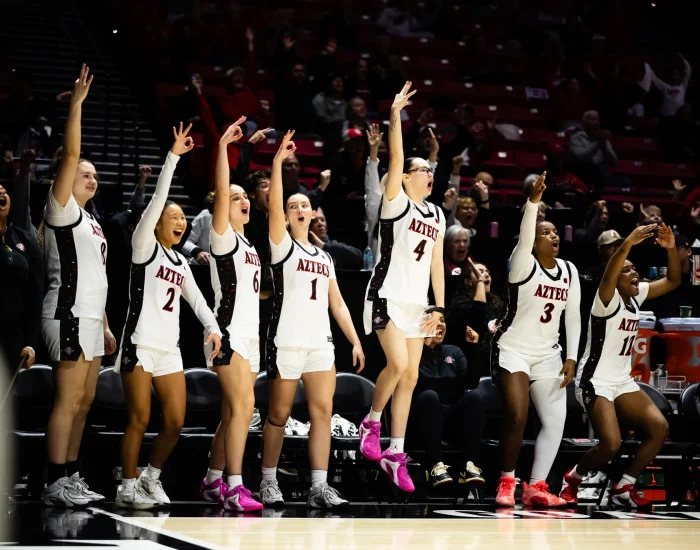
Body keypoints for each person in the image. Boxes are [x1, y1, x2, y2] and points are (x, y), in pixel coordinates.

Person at [115, 124, 222, 509]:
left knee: (175, 421)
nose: (180, 222)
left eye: (183, 219)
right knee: (140, 418)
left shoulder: (180, 261)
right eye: (173, 216)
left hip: (169, 350)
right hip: (139, 344)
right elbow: (160, 195)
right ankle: (125, 485)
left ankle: (149, 478)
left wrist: (212, 327)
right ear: (157, 220)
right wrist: (174, 157)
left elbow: (197, 301)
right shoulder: (144, 246)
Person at [261, 130, 365, 509]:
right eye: (294, 206)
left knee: (323, 413)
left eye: (305, 204)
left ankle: (319, 487)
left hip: (321, 343)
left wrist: (354, 340)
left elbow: (338, 304)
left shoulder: (324, 258)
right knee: (278, 414)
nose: (301, 208)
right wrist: (275, 162)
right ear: (287, 216)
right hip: (287, 340)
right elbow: (272, 207)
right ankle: (268, 481)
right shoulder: (282, 244)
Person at [359, 82, 445, 493]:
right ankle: (371, 422)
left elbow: (438, 262)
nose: (430, 175)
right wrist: (395, 115)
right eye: (423, 170)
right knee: (395, 365)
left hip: (419, 304)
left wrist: (440, 308)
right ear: (407, 177)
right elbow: (395, 156)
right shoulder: (395, 201)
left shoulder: (437, 214)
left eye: (432, 171)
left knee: (411, 377)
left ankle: (396, 453)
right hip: (386, 294)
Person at [560, 223, 680, 508]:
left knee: (659, 427)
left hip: (622, 381)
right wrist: (628, 242)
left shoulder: (635, 297)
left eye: (635, 268)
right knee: (610, 443)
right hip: (594, 380)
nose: (634, 273)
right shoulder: (605, 299)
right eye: (626, 270)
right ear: (613, 276)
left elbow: (674, 281)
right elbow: (611, 272)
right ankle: (573, 478)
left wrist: (672, 249)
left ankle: (624, 486)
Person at [40, 66, 115, 507]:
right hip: (65, 312)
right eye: (84, 174)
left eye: (93, 176)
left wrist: (105, 324)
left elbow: (99, 279)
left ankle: (71, 475)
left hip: (90, 317)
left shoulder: (93, 222)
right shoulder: (61, 209)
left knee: (85, 401)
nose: (91, 178)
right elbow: (70, 154)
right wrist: (77, 106)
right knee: (68, 401)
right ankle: (54, 481)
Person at [491, 172, 581, 508]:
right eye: (547, 232)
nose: (553, 236)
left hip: (548, 355)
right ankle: (506, 481)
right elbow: (527, 235)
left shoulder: (569, 271)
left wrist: (571, 358)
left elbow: (572, 317)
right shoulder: (522, 264)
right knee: (517, 415)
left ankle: (536, 485)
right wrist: (532, 204)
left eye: (556, 232)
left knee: (555, 421)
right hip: (513, 348)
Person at [199, 119, 264, 512]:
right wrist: (223, 146)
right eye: (235, 197)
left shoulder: (248, 242)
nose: (242, 200)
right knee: (244, 409)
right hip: (227, 334)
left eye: (245, 197)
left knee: (231, 414)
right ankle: (236, 486)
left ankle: (211, 480)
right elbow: (223, 188)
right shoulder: (221, 236)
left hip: (251, 336)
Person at [407, 316, 486, 488]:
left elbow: (471, 382)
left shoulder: (454, 352)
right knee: (429, 396)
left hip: (450, 422)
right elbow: (415, 384)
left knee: (474, 397)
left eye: (442, 320)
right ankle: (436, 466)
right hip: (419, 422)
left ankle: (469, 465)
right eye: (433, 320)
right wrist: (424, 345)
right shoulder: (411, 351)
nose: (440, 324)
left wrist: (473, 348)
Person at [0, 181, 42, 375]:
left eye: (5, 191)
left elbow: (35, 295)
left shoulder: (24, 239)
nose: (2, 193)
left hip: (13, 340)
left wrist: (31, 344)